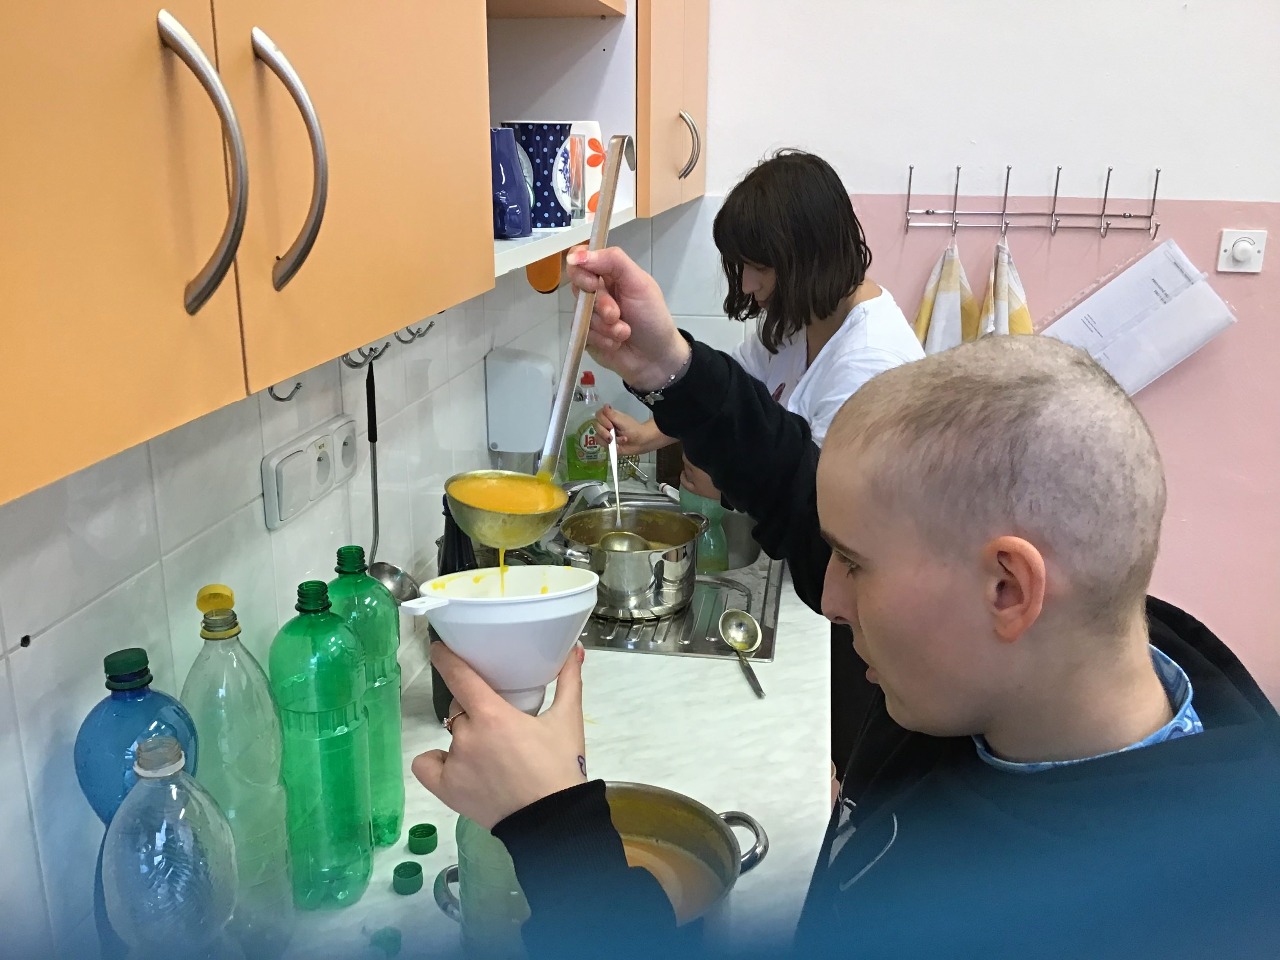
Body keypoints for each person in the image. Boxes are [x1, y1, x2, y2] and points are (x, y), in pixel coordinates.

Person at [414, 247, 1280, 960]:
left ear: (1008, 589)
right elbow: (801, 487)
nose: (829, 597)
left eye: (856, 567)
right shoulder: (1048, 658)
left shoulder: (1139, 914)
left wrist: (555, 832)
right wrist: (669, 367)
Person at [598, 150, 923, 778]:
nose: (747, 284)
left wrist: (725, 487)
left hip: (855, 606)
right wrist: (650, 433)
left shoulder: (871, 362)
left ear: (808, 254)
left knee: (841, 755)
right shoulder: (798, 321)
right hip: (808, 577)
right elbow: (736, 396)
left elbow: (817, 507)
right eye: (739, 265)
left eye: (759, 266)